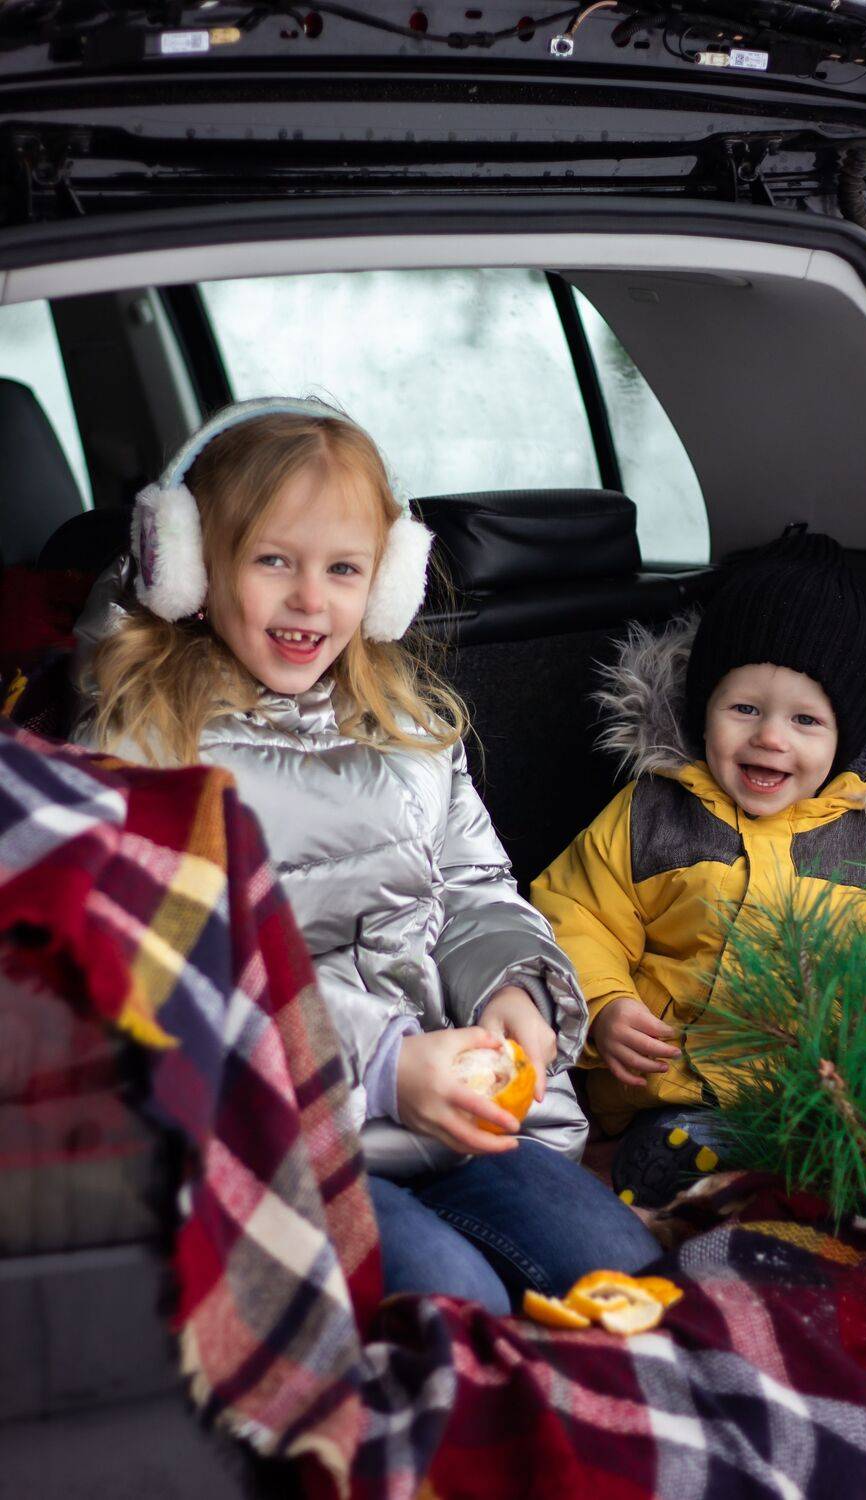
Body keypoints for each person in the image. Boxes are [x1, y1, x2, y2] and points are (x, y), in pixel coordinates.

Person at [73, 396, 658, 1311]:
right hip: (272, 1138)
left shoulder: (410, 730)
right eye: (274, 561)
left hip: (444, 1112)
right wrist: (385, 1067)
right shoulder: (142, 749)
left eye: (345, 569)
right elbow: (174, 970)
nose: (312, 599)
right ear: (187, 566)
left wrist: (515, 988)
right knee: (456, 1303)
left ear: (387, 584)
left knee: (623, 1265)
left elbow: (473, 888)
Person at [531, 528, 866, 1208]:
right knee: (670, 1148)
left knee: (865, 1163)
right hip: (676, 1086)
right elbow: (573, 913)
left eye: (806, 721)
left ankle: (781, 1187)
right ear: (704, 711)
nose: (770, 737)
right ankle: (711, 1175)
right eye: (745, 708)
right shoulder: (654, 814)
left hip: (828, 1102)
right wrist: (605, 1004)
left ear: (847, 738)